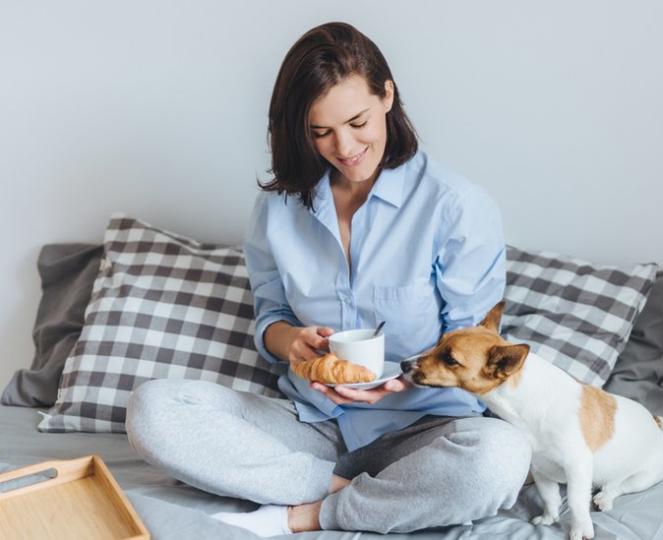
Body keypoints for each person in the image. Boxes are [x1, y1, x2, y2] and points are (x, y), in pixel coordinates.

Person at [124, 22, 532, 536]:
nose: (345, 147)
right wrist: (292, 341)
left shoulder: (456, 207)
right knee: (155, 409)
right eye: (321, 132)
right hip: (311, 424)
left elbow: (472, 346)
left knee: (499, 457)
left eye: (358, 121)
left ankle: (309, 512)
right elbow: (271, 316)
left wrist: (396, 382)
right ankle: (353, 490)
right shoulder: (276, 210)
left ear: (388, 95)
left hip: (429, 428)